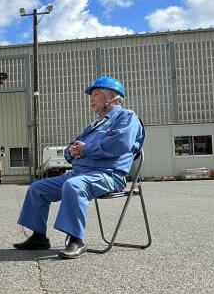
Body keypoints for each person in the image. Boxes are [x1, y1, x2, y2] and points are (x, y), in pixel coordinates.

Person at [14, 76, 144, 259]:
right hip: (81, 173)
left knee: (74, 185)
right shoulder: (95, 124)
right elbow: (72, 147)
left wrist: (86, 149)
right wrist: (71, 152)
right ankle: (39, 237)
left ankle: (76, 240)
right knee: (38, 188)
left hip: (109, 175)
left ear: (111, 96)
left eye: (96, 94)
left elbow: (120, 144)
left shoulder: (127, 117)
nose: (91, 99)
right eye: (91, 95)